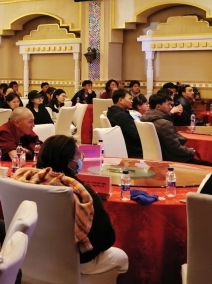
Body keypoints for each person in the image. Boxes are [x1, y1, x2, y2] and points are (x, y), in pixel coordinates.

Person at [27, 135, 129, 274]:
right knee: (121, 257)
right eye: (78, 155)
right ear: (69, 162)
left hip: (32, 254)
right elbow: (106, 239)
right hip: (73, 260)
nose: (81, 159)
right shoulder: (82, 194)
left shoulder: (26, 181)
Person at [141, 94, 212, 165]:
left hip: (155, 157)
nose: (171, 107)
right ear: (158, 106)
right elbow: (175, 149)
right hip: (174, 159)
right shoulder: (164, 124)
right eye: (168, 104)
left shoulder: (143, 118)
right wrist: (191, 151)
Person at [106, 89, 143, 159]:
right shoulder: (120, 116)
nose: (132, 101)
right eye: (130, 99)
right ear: (121, 100)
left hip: (128, 146)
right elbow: (137, 135)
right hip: (133, 150)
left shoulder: (112, 111)